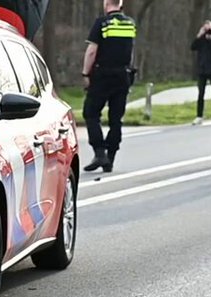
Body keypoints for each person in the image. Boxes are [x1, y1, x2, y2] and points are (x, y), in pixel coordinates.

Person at [81, 0, 137, 173]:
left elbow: (92, 51)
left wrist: (85, 73)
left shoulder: (102, 23)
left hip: (102, 75)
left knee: (90, 113)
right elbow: (130, 50)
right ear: (120, 4)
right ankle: (110, 157)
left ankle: (99, 152)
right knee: (116, 119)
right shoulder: (130, 24)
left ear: (106, 4)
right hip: (122, 75)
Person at [191, 20, 211, 125]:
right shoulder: (201, 40)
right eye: (206, 29)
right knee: (201, 94)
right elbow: (193, 47)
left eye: (209, 28)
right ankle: (199, 116)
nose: (208, 31)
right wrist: (199, 36)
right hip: (202, 70)